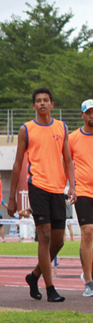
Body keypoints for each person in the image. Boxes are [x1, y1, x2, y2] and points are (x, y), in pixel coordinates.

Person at [7, 87, 75, 303]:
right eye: (38, 101)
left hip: (58, 189)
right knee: (44, 236)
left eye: (46, 100)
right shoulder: (26, 129)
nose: (42, 103)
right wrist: (12, 198)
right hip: (37, 186)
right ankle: (50, 288)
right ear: (33, 105)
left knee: (59, 241)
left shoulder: (61, 127)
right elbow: (17, 163)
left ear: (52, 104)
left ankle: (34, 276)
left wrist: (72, 186)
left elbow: (68, 160)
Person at [69, 98, 93, 297]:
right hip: (82, 190)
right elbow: (66, 164)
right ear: (82, 115)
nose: (92, 115)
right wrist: (69, 187)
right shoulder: (73, 138)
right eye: (89, 112)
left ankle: (88, 271)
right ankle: (89, 281)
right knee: (87, 232)